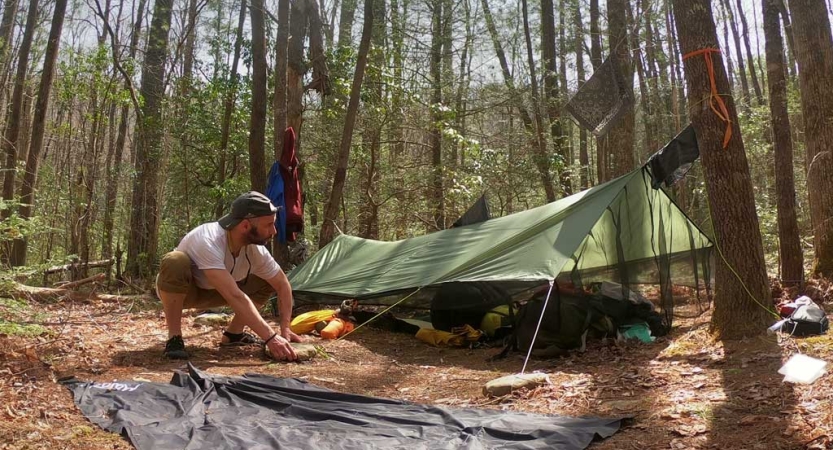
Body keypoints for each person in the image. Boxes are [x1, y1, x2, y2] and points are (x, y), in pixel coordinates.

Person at [155, 191, 302, 360]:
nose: (274, 231)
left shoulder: (256, 250)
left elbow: (282, 284)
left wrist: (285, 328)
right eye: (268, 225)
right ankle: (174, 338)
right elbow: (234, 295)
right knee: (175, 260)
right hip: (185, 292)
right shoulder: (209, 239)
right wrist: (270, 337)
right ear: (245, 226)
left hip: (219, 291)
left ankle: (234, 334)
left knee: (267, 280)